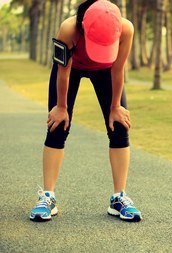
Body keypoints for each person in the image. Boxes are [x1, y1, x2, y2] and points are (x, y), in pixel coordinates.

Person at [29, 0, 142, 222]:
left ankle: (119, 198)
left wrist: (115, 106)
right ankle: (48, 196)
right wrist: (61, 107)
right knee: (57, 126)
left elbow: (118, 70)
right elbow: (63, 72)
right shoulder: (68, 29)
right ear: (83, 27)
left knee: (119, 125)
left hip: (106, 70)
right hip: (72, 69)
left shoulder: (125, 28)